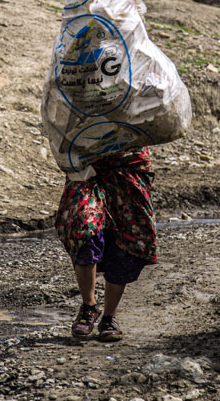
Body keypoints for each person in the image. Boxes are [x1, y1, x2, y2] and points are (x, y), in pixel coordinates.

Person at [55, 146, 157, 341]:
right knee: (83, 227)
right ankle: (89, 307)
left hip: (128, 164)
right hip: (86, 164)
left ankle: (109, 317)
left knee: (128, 236)